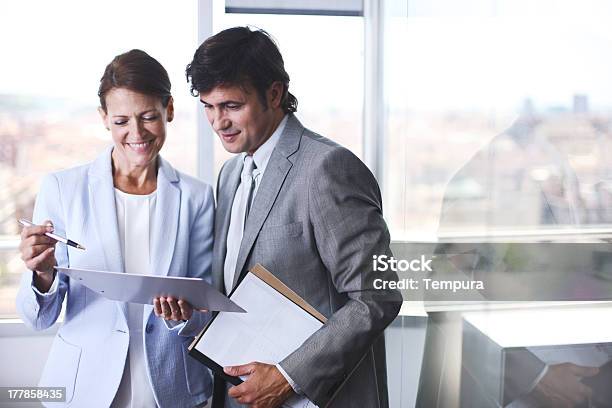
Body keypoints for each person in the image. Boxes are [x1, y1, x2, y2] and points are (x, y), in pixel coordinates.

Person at [161, 26, 402, 408]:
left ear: (274, 94)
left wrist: (289, 377)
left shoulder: (327, 168)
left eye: (231, 106)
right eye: (208, 106)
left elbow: (376, 296)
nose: (217, 121)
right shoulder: (230, 175)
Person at [16, 49, 214, 407]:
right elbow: (38, 319)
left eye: (149, 116)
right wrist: (43, 275)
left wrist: (184, 317)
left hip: (170, 389)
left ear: (169, 109)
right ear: (104, 118)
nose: (136, 133)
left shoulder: (197, 198)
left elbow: (205, 309)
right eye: (121, 120)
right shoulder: (62, 189)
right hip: (83, 388)